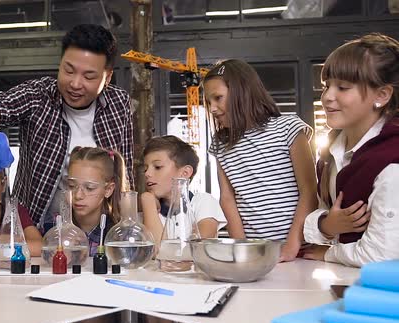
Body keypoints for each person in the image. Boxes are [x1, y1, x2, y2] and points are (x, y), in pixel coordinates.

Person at [0, 24, 134, 232]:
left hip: (98, 232)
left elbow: (125, 173)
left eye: (89, 76)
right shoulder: (39, 95)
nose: (75, 83)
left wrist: (129, 226)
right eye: (68, 70)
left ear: (107, 77)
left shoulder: (119, 103)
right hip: (34, 230)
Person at [203, 59, 317, 262]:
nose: (212, 108)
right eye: (209, 102)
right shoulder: (221, 143)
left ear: (243, 92)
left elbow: (309, 191)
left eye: (218, 98)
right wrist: (242, 248)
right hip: (255, 255)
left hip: (299, 251)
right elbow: (227, 198)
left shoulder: (288, 128)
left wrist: (292, 246)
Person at [303, 33, 399, 267]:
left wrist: (328, 253)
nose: (327, 97)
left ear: (382, 95)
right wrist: (326, 224)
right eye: (327, 86)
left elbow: (382, 256)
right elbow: (321, 213)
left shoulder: (392, 158)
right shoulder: (332, 153)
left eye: (343, 88)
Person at [140, 136, 226, 246]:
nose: (147, 174)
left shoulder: (203, 202)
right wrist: (147, 200)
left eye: (157, 167)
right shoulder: (148, 208)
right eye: (145, 169)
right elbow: (154, 251)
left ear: (185, 173)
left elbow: (197, 249)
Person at [65, 147, 129, 256]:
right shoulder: (53, 226)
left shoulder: (119, 234)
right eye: (72, 186)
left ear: (108, 189)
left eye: (89, 188)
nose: (78, 195)